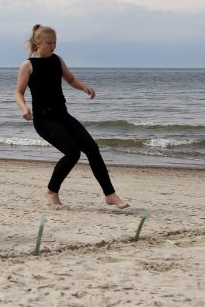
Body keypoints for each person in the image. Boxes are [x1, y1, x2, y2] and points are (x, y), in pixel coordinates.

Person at [14, 24, 129, 209]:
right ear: (37, 42)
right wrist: (24, 109)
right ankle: (51, 191)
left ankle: (110, 194)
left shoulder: (57, 60)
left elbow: (70, 79)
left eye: (55, 42)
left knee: (92, 148)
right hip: (43, 120)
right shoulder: (28, 65)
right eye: (49, 42)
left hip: (63, 115)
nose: (53, 46)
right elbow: (18, 92)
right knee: (73, 153)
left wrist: (84, 86)